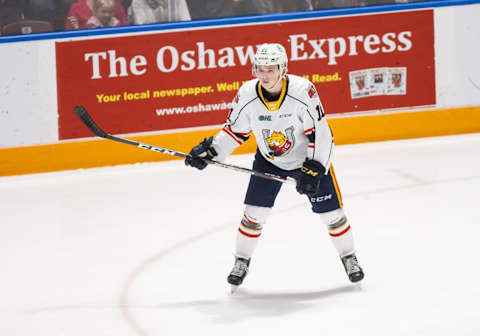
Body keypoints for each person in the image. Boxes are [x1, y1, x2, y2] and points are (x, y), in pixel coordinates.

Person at [185, 43, 364, 291]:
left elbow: (322, 135)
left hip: (308, 161)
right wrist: (211, 151)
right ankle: (241, 261)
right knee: (253, 215)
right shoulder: (247, 94)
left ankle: (349, 256)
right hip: (270, 161)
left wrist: (315, 168)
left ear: (283, 68)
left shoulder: (303, 91)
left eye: (270, 69)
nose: (265, 75)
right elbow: (234, 131)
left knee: (331, 215)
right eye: (260, 69)